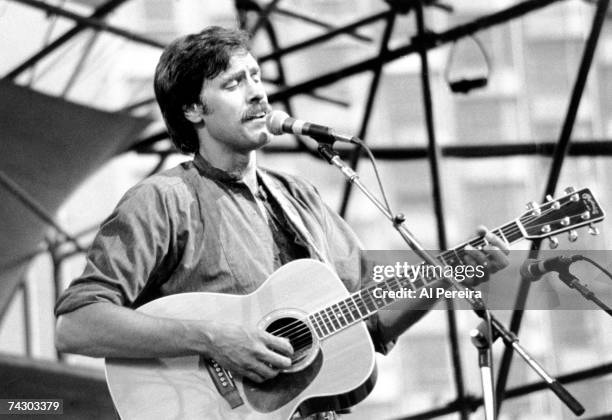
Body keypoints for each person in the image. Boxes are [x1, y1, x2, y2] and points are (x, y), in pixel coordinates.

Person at [54, 26, 509, 418]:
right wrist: (211, 338)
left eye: (256, 76)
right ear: (193, 109)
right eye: (234, 84)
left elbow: (370, 323)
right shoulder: (162, 201)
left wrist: (452, 274)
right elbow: (77, 324)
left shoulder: (300, 197)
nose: (258, 92)